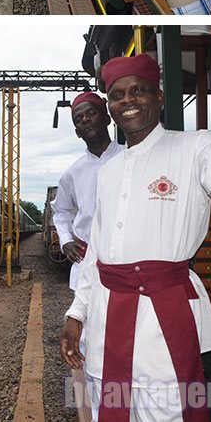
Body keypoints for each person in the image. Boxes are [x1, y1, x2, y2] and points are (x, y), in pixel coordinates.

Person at [60, 33, 211, 422]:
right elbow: (97, 250)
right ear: (111, 107)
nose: (128, 101)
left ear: (160, 96)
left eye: (139, 90)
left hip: (164, 318)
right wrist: (76, 313)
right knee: (110, 407)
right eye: (117, 95)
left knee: (170, 410)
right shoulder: (110, 169)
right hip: (106, 320)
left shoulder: (196, 147)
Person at [52, 93, 122, 292]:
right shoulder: (72, 173)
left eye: (91, 113)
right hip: (86, 266)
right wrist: (65, 241)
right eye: (78, 119)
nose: (85, 120)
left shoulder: (130, 157)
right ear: (77, 132)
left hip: (126, 262)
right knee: (86, 322)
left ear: (107, 119)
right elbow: (61, 212)